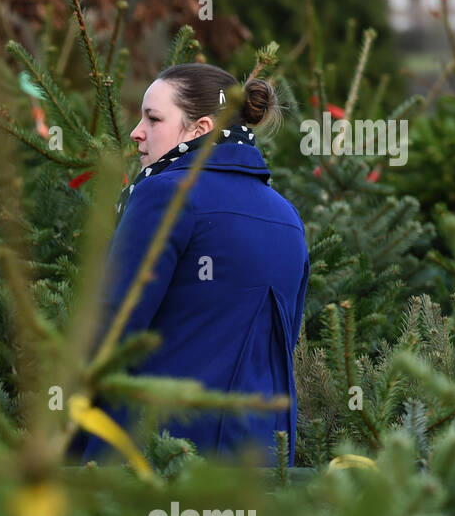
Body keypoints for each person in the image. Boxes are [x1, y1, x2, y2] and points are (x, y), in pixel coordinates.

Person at [78, 63, 310, 466]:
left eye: (153, 118)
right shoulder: (287, 217)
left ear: (201, 129)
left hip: (157, 454)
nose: (137, 131)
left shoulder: (164, 194)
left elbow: (113, 332)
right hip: (261, 460)